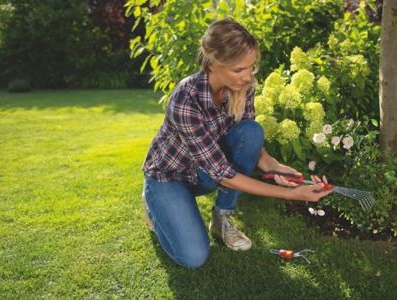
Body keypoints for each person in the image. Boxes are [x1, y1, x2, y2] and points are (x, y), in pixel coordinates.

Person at [141, 17, 332, 268]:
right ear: (213, 63)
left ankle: (222, 221)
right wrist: (292, 194)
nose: (247, 77)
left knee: (253, 130)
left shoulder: (242, 86)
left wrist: (274, 167)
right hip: (169, 176)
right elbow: (224, 175)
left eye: (251, 67)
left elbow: (251, 142)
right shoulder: (186, 99)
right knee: (194, 257)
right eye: (238, 70)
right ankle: (153, 206)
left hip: (205, 172)